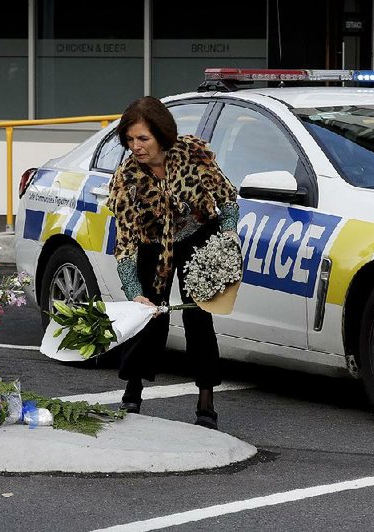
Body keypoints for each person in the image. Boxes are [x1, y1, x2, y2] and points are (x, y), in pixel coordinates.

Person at [108, 96, 239, 430]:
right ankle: (132, 389)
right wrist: (134, 290)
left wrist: (227, 238)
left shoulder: (193, 154)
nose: (135, 147)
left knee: (199, 317)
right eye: (129, 140)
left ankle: (206, 401)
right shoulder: (126, 180)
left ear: (162, 134)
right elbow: (125, 244)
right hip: (154, 246)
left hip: (199, 237)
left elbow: (227, 200)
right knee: (149, 316)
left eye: (142, 139)